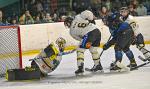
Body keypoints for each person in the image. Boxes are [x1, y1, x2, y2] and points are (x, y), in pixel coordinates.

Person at [64, 10, 103, 75]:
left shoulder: (71, 32)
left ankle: (80, 68)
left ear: (68, 23)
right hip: (97, 32)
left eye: (66, 23)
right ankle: (98, 65)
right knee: (93, 50)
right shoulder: (78, 17)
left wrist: (87, 41)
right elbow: (88, 12)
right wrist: (91, 19)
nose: (67, 25)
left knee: (80, 50)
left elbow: (81, 39)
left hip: (89, 35)